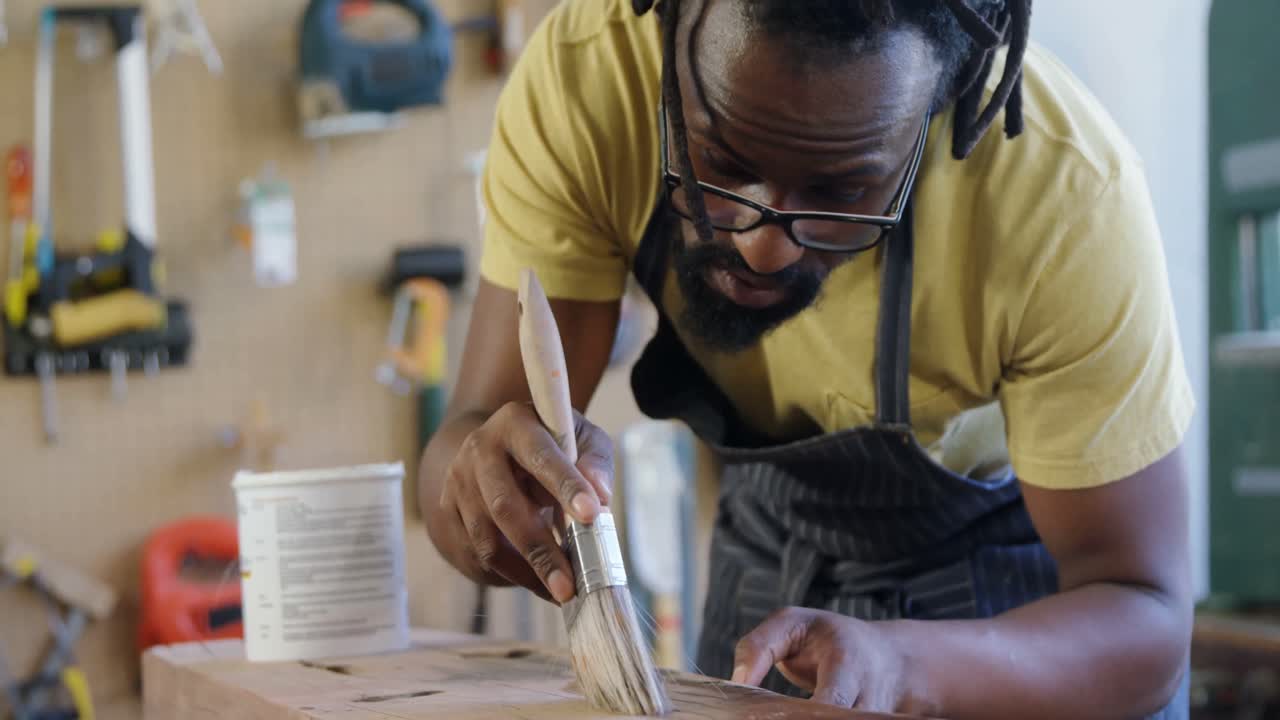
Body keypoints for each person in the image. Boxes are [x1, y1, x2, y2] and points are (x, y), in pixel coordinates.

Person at [420, 1, 1195, 717]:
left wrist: (902, 663)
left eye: (840, 188)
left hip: (1020, 615)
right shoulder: (591, 84)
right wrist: (484, 491)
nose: (761, 245)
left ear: (937, 110)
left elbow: (1145, 617)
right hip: (769, 552)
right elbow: (468, 445)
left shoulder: (1060, 195)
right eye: (720, 163)